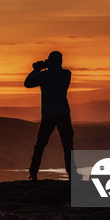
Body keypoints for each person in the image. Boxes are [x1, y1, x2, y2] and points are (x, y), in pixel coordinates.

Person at [24, 51, 76, 180]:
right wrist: (48, 66)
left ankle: (33, 173)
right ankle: (71, 174)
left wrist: (36, 69)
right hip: (63, 113)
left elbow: (27, 83)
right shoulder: (66, 74)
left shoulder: (44, 75)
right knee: (68, 145)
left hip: (48, 114)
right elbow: (57, 72)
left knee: (40, 144)